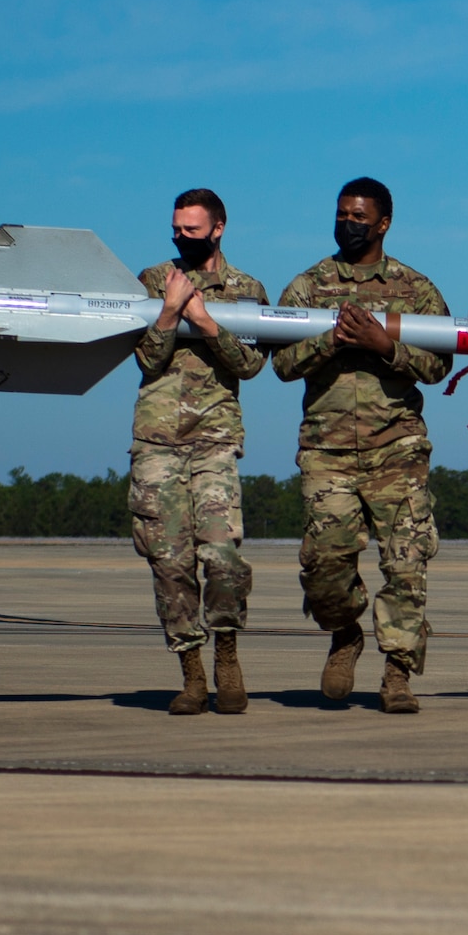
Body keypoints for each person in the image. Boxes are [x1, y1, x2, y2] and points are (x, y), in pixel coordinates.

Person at [272, 178, 450, 713]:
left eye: (358, 216)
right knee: (323, 564)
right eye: (341, 214)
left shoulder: (415, 289)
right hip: (327, 453)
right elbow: (280, 364)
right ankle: (345, 633)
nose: (347, 223)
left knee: (406, 566)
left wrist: (386, 347)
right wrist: (331, 340)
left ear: (383, 223)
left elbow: (439, 364)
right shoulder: (308, 285)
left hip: (397, 449)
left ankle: (397, 674)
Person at [130, 188, 269, 715]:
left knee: (224, 558)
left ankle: (227, 655)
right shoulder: (150, 281)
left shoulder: (247, 288)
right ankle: (191, 673)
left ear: (219, 228)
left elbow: (251, 365)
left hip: (214, 441)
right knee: (169, 563)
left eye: (191, 229)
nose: (180, 237)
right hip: (157, 442)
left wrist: (207, 322)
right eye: (175, 228)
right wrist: (168, 312)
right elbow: (145, 361)